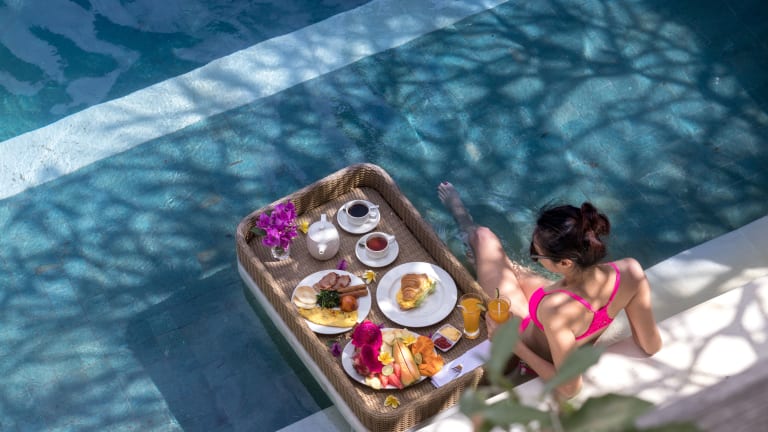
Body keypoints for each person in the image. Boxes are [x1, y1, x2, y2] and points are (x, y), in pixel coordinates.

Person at [438, 182, 662, 399]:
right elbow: (651, 345)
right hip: (570, 304)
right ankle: (499, 265)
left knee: (483, 236)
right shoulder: (631, 271)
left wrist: (513, 344)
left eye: (536, 254)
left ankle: (465, 223)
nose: (534, 256)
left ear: (565, 262)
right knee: (513, 271)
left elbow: (569, 388)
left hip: (527, 333)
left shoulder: (554, 310)